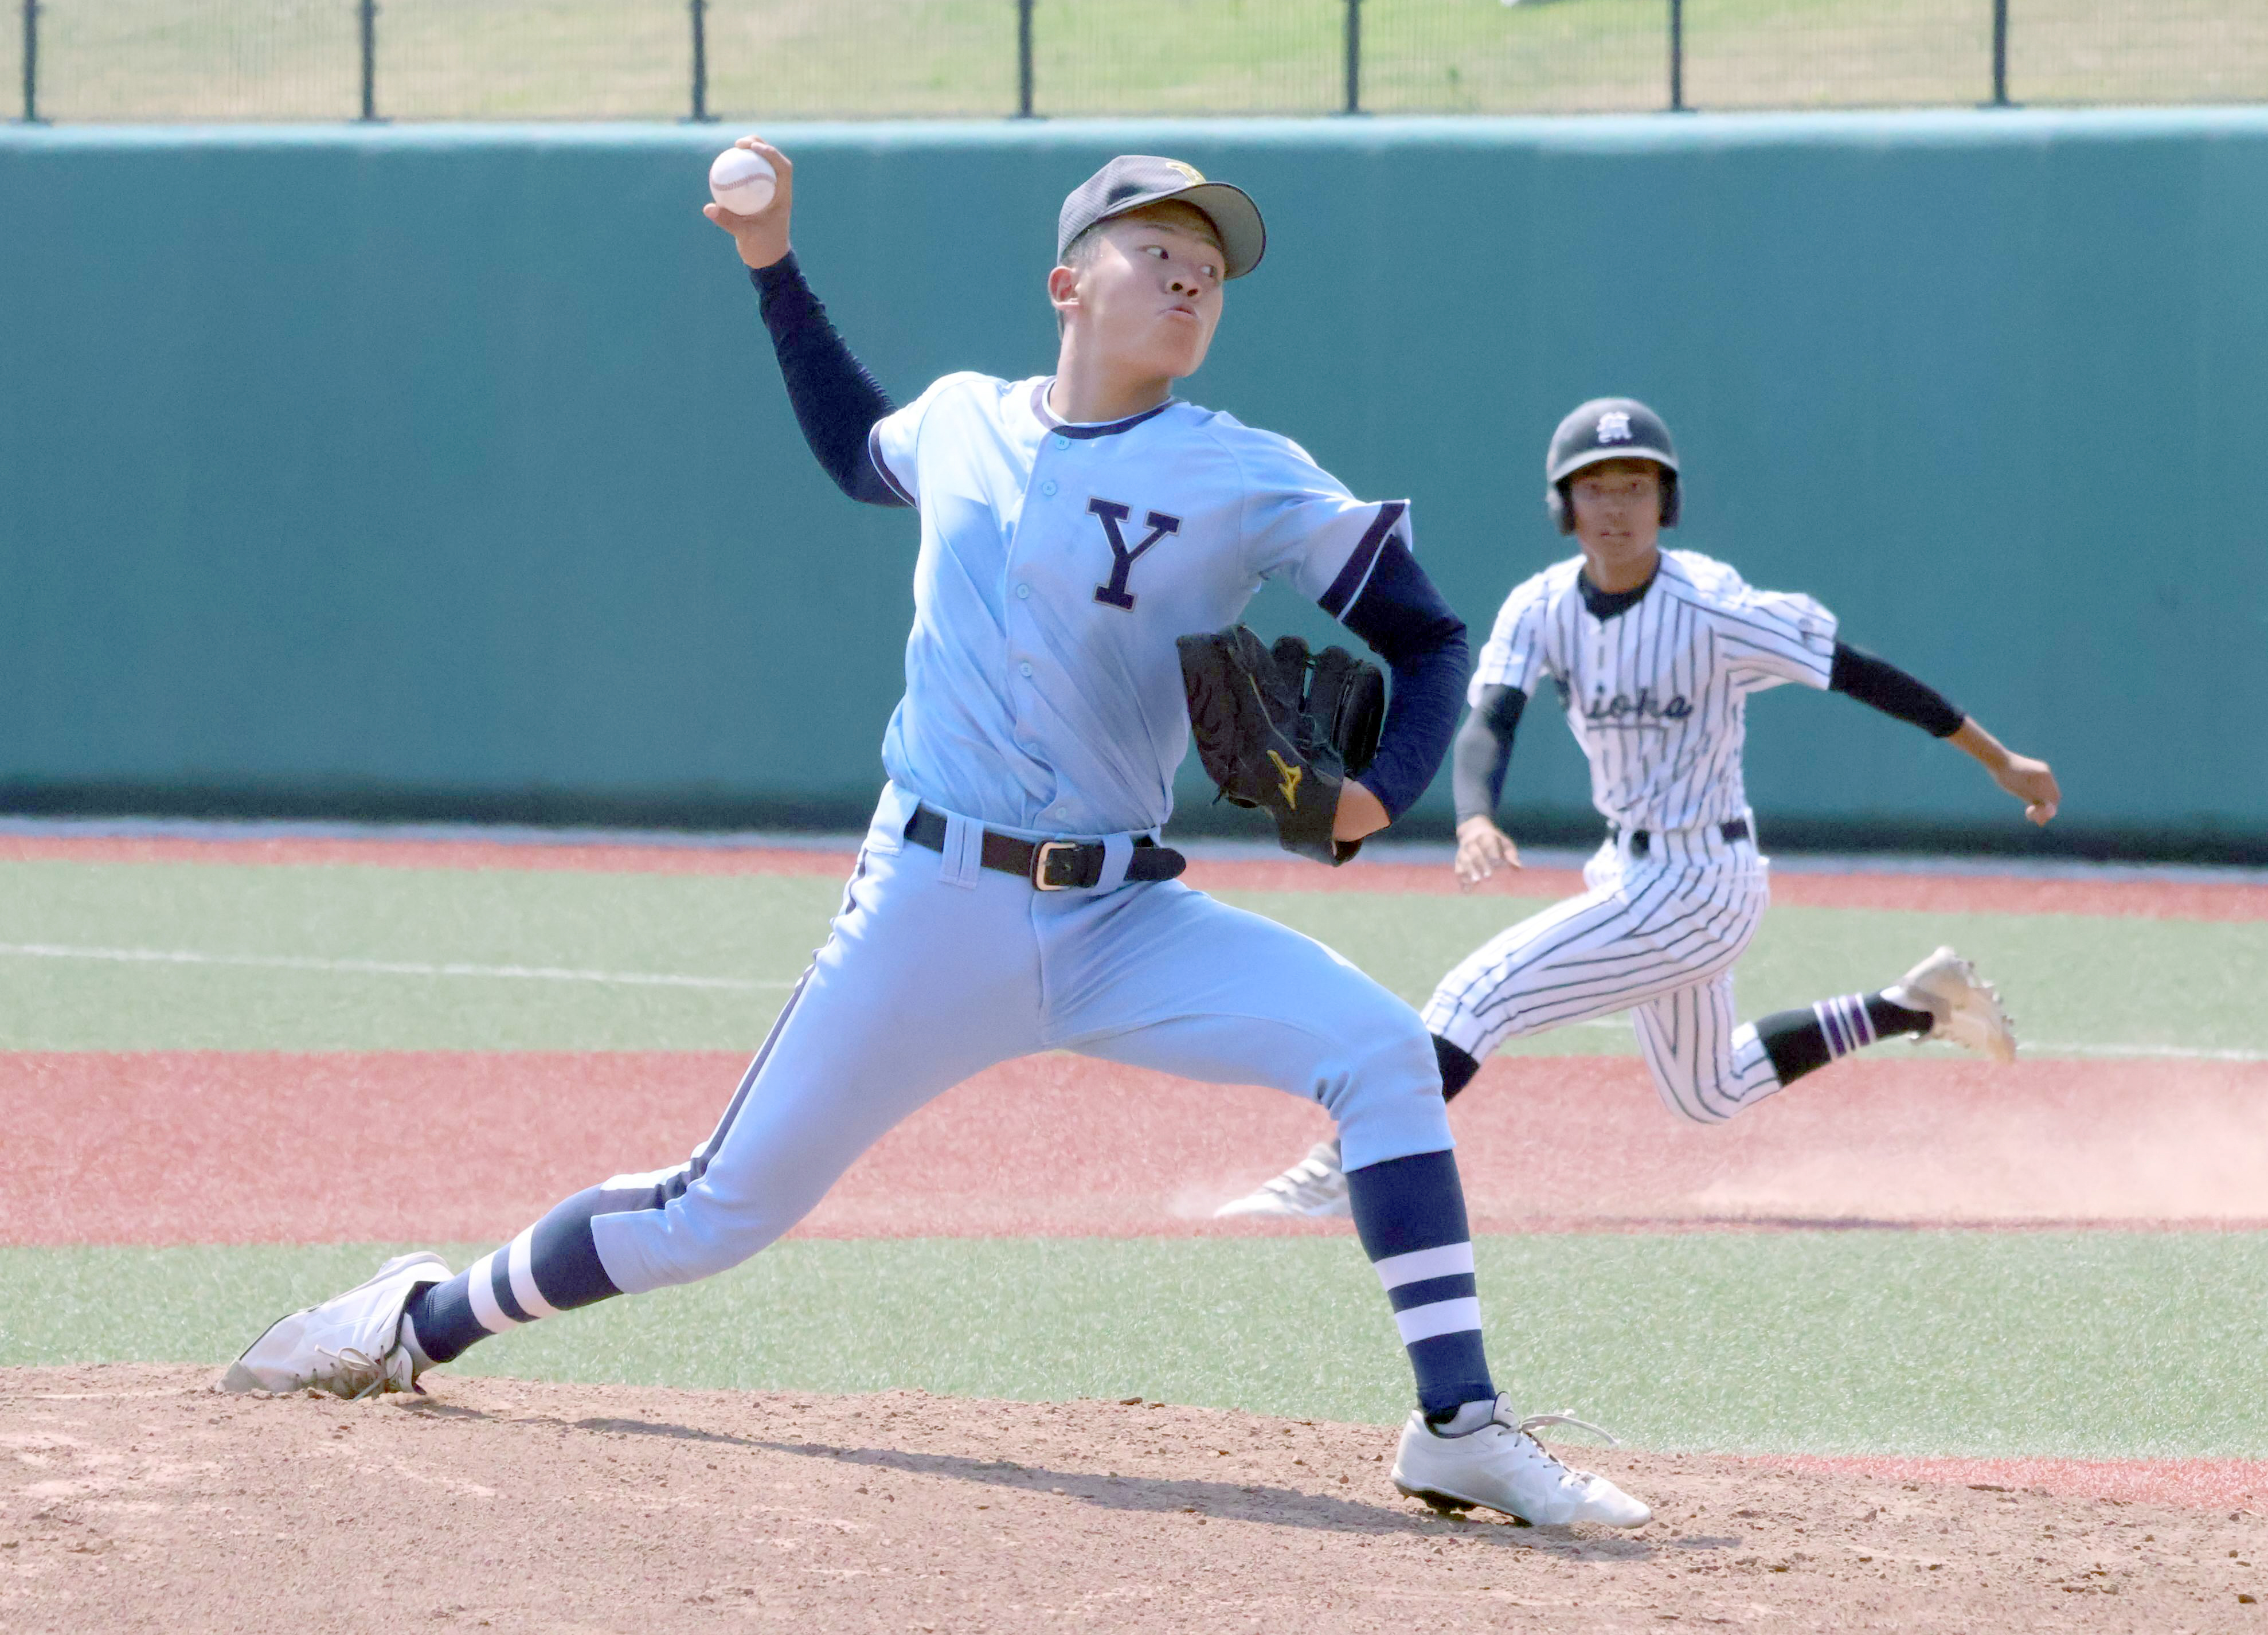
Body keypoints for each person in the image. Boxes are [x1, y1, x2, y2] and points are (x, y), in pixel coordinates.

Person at [219, 146, 1654, 1528]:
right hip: (928, 903)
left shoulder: (1246, 471)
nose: (1189, 280)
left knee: (1385, 1053)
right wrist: (773, 266)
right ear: (1066, 285)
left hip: (1121, 919)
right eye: (1156, 250)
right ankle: (420, 1318)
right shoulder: (967, 417)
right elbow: (856, 448)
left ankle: (1457, 1427)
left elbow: (1425, 632)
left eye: (1211, 268)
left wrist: (1375, 792)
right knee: (712, 1213)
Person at [1218, 397, 2061, 1220]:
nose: (1616, 507)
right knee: (1709, 1092)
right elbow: (1490, 724)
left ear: (1668, 501)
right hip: (1632, 866)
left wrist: (2001, 761)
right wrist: (1476, 815)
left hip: (1704, 879)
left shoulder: (1713, 607)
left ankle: (1344, 1170)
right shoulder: (1542, 603)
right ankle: (1915, 1004)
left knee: (1478, 993)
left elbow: (1864, 676)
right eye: (1595, 487)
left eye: (1636, 486)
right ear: (1564, 505)